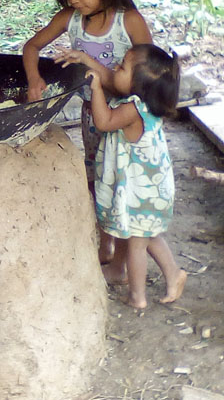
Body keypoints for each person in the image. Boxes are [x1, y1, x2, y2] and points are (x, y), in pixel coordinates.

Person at [22, 0, 153, 264]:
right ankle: (105, 243)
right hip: (92, 117)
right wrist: (34, 78)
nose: (74, 0)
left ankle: (124, 256)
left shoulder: (129, 21)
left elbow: (151, 74)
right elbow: (31, 47)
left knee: (123, 183)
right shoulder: (71, 19)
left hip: (127, 119)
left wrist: (97, 70)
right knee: (96, 178)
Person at [82, 44, 187, 309]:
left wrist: (96, 90)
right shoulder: (141, 104)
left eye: (122, 67)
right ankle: (172, 273)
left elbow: (103, 122)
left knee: (138, 244)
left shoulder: (133, 109)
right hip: (145, 189)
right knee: (146, 236)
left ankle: (137, 297)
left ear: (139, 84)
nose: (115, 69)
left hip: (143, 192)